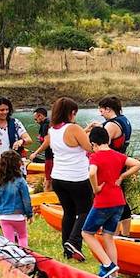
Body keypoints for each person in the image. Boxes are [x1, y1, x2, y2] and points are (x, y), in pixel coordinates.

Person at [81, 126, 140, 278]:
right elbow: (137, 164)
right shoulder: (118, 155)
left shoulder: (95, 156)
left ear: (93, 143)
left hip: (103, 202)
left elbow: (92, 172)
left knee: (86, 233)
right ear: (107, 140)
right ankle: (114, 276)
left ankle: (108, 264)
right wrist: (122, 176)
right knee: (108, 236)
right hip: (119, 201)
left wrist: (95, 188)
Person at [41, 97, 93, 261]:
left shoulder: (52, 130)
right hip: (77, 177)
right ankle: (74, 241)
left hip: (58, 177)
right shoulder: (74, 128)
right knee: (85, 211)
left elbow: (70, 141)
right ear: (71, 113)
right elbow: (90, 147)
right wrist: (94, 133)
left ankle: (67, 249)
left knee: (69, 212)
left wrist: (86, 130)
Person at [92, 96, 133, 236]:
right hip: (121, 161)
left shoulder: (111, 125)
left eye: (101, 110)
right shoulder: (124, 120)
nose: (100, 114)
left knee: (112, 199)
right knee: (121, 197)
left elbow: (103, 144)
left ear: (108, 109)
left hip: (111, 165)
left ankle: (113, 234)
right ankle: (125, 233)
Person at [0, 150, 33, 246]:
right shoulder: (20, 181)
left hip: (3, 216)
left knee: (9, 241)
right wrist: (29, 214)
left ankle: (11, 254)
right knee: (22, 236)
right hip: (18, 216)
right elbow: (26, 199)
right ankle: (24, 253)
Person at [31, 107, 53, 191]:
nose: (36, 121)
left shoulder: (45, 125)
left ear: (40, 116)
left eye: (35, 119)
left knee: (48, 181)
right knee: (48, 180)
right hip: (53, 156)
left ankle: (47, 196)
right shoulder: (49, 123)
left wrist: (35, 153)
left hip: (50, 157)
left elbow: (47, 142)